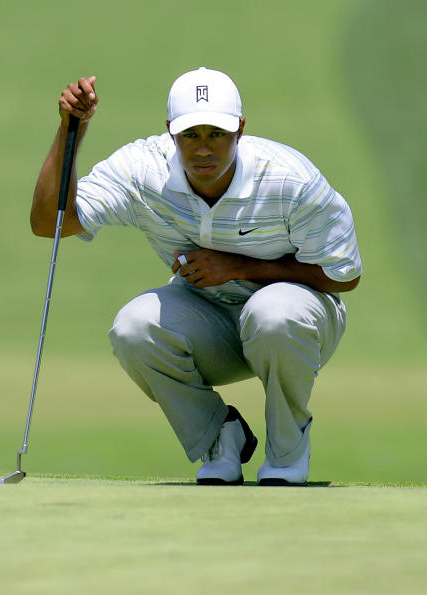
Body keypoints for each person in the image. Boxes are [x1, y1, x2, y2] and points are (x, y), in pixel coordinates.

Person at [30, 67, 362, 486]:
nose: (203, 149)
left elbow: (344, 273)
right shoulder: (141, 170)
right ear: (170, 132)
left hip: (299, 320)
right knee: (134, 327)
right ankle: (220, 438)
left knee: (272, 312)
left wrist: (240, 266)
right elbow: (50, 223)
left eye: (216, 134)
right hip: (213, 320)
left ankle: (286, 455)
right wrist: (69, 130)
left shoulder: (289, 178)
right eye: (190, 135)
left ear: (240, 129)